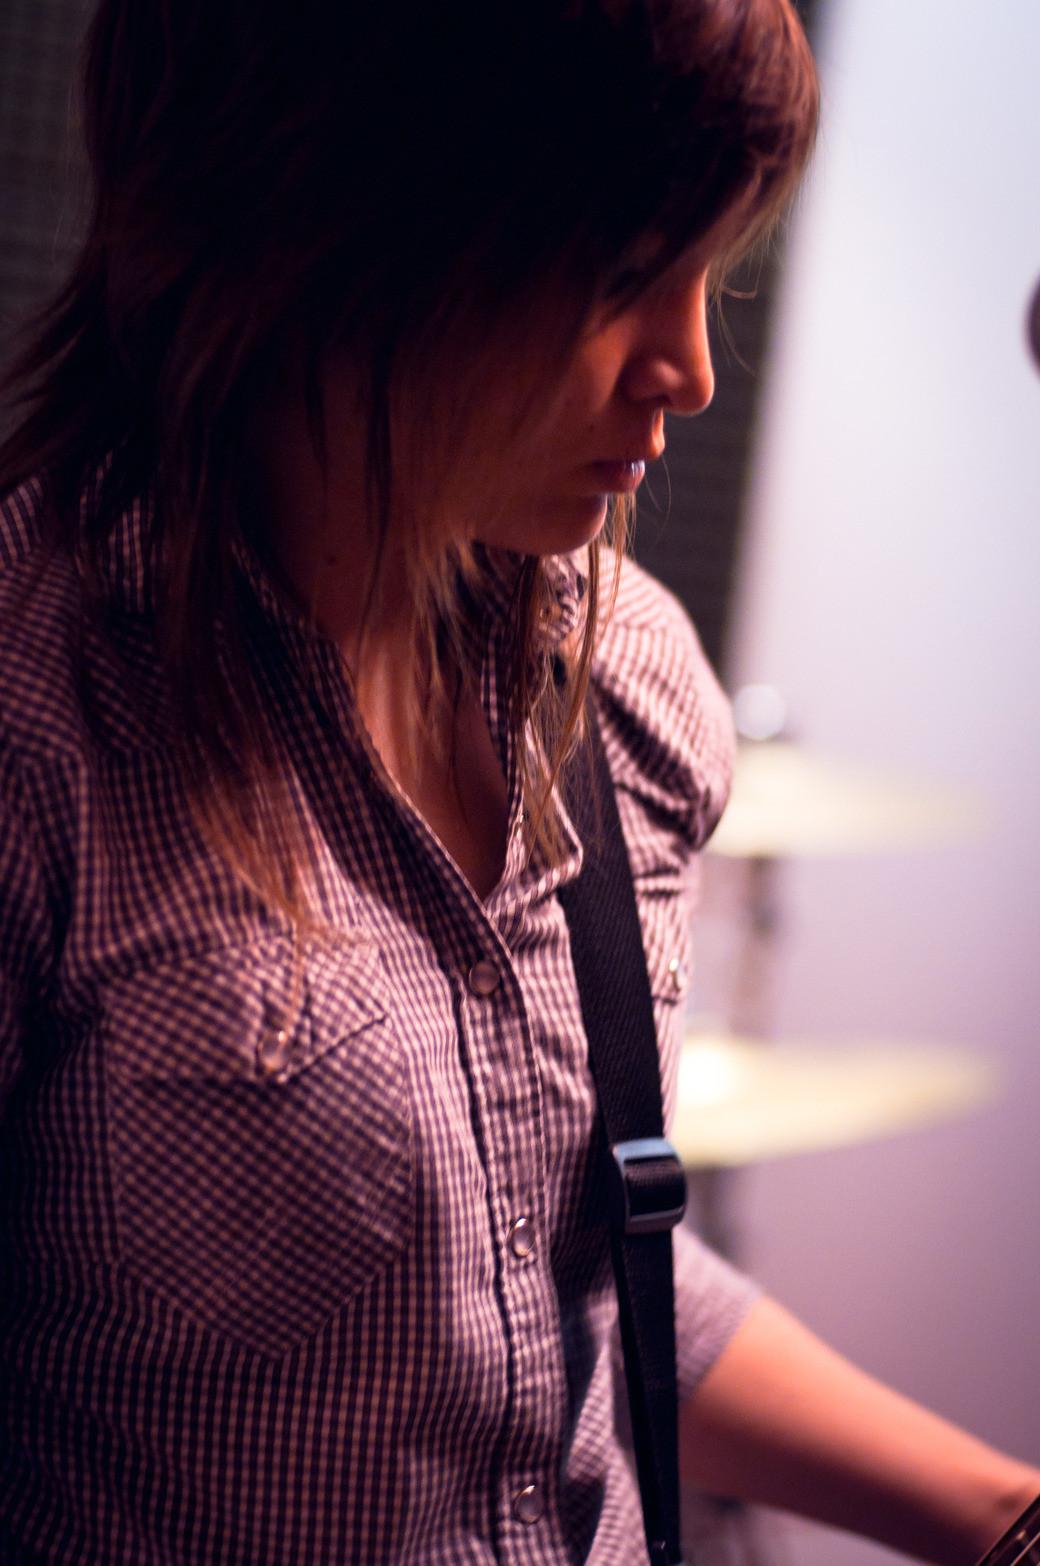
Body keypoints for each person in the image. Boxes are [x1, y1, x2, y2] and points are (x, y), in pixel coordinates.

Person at [0, 1, 1035, 1563]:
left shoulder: (629, 680)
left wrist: (1001, 1513)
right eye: (622, 274)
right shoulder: (43, 719)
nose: (690, 369)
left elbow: (563, 1287)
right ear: (338, 213)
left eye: (710, 273)